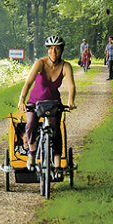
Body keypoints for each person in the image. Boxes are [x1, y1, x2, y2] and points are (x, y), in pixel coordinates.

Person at [18, 35, 77, 172]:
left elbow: (71, 86)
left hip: (53, 103)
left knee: (56, 130)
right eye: (50, 49)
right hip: (34, 102)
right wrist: (22, 99)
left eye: (56, 49)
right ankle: (32, 154)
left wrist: (71, 101)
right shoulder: (40, 63)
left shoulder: (65, 66)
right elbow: (28, 83)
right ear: (47, 50)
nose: (53, 52)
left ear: (62, 50)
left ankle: (57, 165)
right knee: (31, 124)